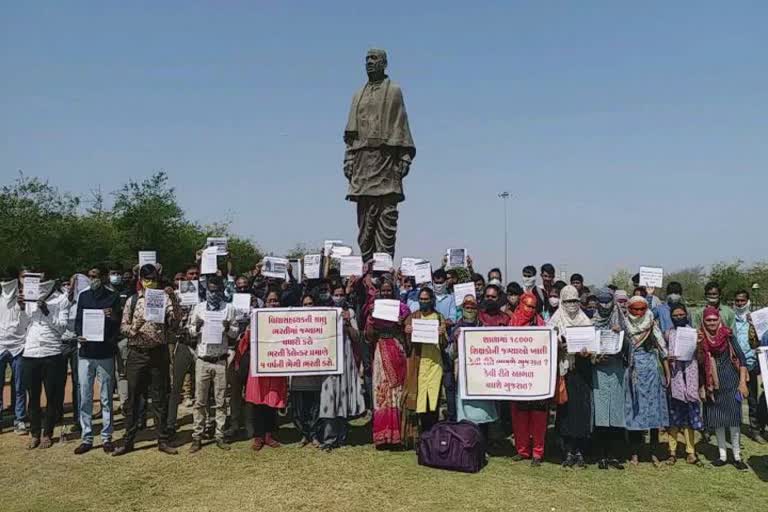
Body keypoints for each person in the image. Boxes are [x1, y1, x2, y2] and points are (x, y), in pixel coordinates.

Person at [343, 48, 416, 262]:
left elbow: (401, 124)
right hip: (363, 162)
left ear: (384, 63)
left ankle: (384, 271)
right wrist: (349, 158)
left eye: (374, 58)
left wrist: (403, 157)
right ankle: (367, 268)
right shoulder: (358, 94)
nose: (369, 62)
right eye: (366, 58)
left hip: (386, 160)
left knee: (386, 220)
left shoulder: (394, 91)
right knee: (365, 224)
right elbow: (351, 134)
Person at [113, 264, 181, 456]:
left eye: (154, 278)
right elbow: (123, 327)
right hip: (137, 353)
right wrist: (136, 326)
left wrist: (174, 298)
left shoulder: (163, 297)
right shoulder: (132, 300)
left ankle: (162, 439)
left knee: (159, 397)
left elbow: (175, 322)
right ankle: (128, 440)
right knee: (134, 398)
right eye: (147, 278)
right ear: (141, 280)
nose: (151, 281)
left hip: (158, 352)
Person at [72, 265, 121, 454]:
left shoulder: (113, 296)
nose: (93, 279)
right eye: (91, 276)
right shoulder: (84, 296)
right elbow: (78, 321)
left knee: (106, 397)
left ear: (104, 277)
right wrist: (79, 335)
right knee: (85, 396)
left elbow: (118, 324)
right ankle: (87, 438)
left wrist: (113, 316)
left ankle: (107, 436)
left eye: (96, 276)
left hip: (105, 353)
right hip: (85, 352)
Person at [187, 276, 238, 452]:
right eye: (210, 290)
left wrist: (228, 329)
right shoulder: (199, 308)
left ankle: (219, 435)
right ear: (206, 291)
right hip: (203, 360)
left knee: (221, 401)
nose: (213, 293)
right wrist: (197, 327)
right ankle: (197, 436)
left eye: (217, 290)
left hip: (220, 361)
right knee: (200, 401)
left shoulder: (229, 309)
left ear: (222, 290)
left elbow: (235, 334)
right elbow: (191, 331)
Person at [698, 306, 750, 470]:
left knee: (734, 419)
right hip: (711, 383)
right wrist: (699, 345)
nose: (712, 323)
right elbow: (699, 362)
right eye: (708, 320)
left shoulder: (728, 334)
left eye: (714, 319)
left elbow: (742, 359)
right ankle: (722, 455)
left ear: (719, 319)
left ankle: (736, 456)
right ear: (703, 321)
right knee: (717, 419)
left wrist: (742, 383)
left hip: (732, 381)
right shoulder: (700, 337)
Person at [315, 285, 366, 450]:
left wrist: (347, 323)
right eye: (336, 294)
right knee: (328, 396)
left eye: (341, 294)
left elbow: (357, 337)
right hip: (328, 359)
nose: (338, 297)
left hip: (345, 358)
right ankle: (329, 438)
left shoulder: (349, 313)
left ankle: (342, 435)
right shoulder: (324, 313)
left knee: (344, 395)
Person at [21, 274, 68, 449]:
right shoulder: (28, 299)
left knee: (52, 396)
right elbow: (24, 323)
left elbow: (62, 327)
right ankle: (34, 433)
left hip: (52, 351)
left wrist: (46, 311)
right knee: (33, 396)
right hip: (31, 352)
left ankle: (47, 432)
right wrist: (21, 307)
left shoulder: (61, 299)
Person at [549, 285, 592, 468]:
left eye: (575, 301)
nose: (571, 305)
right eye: (567, 301)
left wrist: (586, 351)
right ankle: (567, 450)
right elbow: (548, 338)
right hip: (564, 371)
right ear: (562, 301)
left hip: (581, 371)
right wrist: (559, 346)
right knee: (565, 412)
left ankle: (580, 450)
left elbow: (592, 344)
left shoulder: (585, 320)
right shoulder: (556, 319)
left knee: (580, 412)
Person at [623, 296, 669, 466]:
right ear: (629, 308)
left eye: (642, 309)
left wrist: (667, 372)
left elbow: (662, 348)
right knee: (635, 409)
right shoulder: (624, 324)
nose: (638, 312)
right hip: (632, 370)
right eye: (635, 309)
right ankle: (635, 452)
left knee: (652, 410)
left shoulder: (651, 323)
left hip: (650, 371)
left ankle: (654, 452)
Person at [364, 277, 409, 448]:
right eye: (383, 290)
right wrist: (371, 316)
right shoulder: (374, 309)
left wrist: (402, 321)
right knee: (381, 391)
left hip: (397, 348)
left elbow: (408, 326)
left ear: (394, 291)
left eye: (389, 290)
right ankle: (383, 435)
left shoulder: (402, 308)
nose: (386, 292)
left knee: (396, 391)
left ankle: (398, 435)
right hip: (380, 349)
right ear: (380, 292)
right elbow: (368, 334)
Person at [240, 290, 288, 451]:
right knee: (258, 403)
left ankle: (269, 435)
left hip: (275, 366)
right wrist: (248, 330)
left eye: (275, 300)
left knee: (272, 402)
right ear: (265, 303)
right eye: (270, 300)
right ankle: (258, 436)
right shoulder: (255, 321)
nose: (273, 303)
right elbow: (245, 345)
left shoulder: (284, 322)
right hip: (259, 367)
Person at [451, 295, 497, 445]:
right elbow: (451, 353)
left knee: (482, 410)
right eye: (467, 308)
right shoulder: (457, 328)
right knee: (465, 410)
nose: (469, 310)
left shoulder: (482, 328)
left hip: (481, 375)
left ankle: (483, 443)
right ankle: (467, 442)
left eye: (472, 308)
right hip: (464, 376)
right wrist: (456, 342)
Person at [403, 287, 447, 447]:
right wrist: (407, 333)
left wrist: (442, 334)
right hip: (419, 365)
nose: (423, 301)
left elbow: (444, 345)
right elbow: (406, 345)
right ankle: (421, 438)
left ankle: (433, 437)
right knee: (420, 402)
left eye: (426, 299)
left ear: (432, 300)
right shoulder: (413, 317)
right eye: (421, 299)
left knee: (433, 402)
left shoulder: (439, 317)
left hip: (435, 365)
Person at [509, 292, 547, 467]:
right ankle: (522, 450)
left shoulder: (540, 323)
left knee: (538, 418)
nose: (530, 310)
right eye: (527, 306)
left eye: (533, 307)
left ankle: (537, 453)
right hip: (518, 377)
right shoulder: (513, 322)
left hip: (537, 377)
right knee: (520, 416)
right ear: (521, 304)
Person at [591, 288, 627, 470]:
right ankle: (601, 455)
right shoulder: (592, 321)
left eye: (608, 301)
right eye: (601, 301)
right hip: (599, 372)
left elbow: (630, 346)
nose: (605, 305)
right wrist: (595, 357)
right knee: (601, 413)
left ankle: (614, 455)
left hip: (617, 371)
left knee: (616, 413)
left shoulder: (620, 319)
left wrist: (621, 334)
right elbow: (587, 347)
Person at [167, 263, 202, 439]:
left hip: (201, 344)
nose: (194, 277)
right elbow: (171, 321)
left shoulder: (205, 294)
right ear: (185, 276)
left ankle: (202, 424)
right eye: (190, 274)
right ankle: (170, 423)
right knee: (176, 386)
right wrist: (173, 299)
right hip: (182, 343)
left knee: (202, 388)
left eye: (196, 274)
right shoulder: (177, 295)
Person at [665, 304, 703, 465]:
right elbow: (664, 356)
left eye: (682, 314)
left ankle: (690, 451)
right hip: (675, 378)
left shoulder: (694, 333)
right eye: (676, 315)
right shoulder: (668, 334)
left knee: (689, 418)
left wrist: (699, 343)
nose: (679, 317)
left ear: (686, 315)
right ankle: (672, 451)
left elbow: (700, 358)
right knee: (674, 418)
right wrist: (669, 361)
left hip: (691, 377)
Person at [292, 293, 325, 447]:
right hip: (298, 374)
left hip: (316, 373)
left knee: (315, 407)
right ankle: (303, 435)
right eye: (305, 304)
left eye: (311, 303)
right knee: (299, 408)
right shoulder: (293, 322)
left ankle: (315, 435)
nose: (308, 307)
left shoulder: (323, 323)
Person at [733, 290, 764, 443]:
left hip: (751, 364)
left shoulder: (756, 319)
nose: (740, 303)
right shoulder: (730, 318)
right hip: (734, 365)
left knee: (752, 399)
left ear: (748, 301)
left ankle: (755, 429)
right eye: (737, 301)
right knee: (735, 398)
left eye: (743, 301)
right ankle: (734, 429)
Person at [0, 272, 29, 435]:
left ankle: (20, 419)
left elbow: (28, 321)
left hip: (18, 347)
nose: (4, 284)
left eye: (7, 280)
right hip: (0, 346)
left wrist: (23, 307)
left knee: (20, 386)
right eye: (1, 280)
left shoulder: (23, 298)